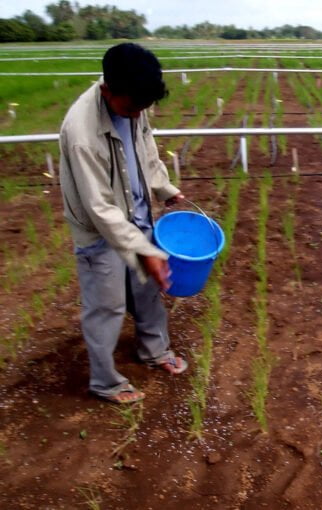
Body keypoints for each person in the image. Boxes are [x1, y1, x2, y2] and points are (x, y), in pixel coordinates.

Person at [59, 43, 188, 404]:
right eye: (130, 109)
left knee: (147, 288)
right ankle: (105, 382)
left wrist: (164, 188)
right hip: (98, 229)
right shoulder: (81, 133)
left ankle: (154, 350)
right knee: (107, 304)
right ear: (107, 91)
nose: (136, 117)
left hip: (137, 210)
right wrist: (142, 250)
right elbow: (99, 208)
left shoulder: (134, 103)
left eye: (142, 110)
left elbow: (145, 149)